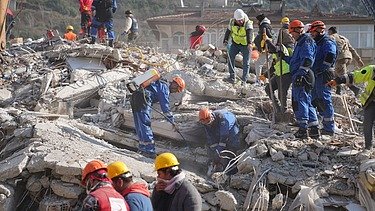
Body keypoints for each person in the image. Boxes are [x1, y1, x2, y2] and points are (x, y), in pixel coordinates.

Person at [130, 76, 186, 158]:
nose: (174, 92)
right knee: (145, 124)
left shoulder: (158, 83)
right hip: (143, 98)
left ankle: (142, 148)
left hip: (135, 97)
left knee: (139, 123)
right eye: (176, 89)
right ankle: (149, 151)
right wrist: (172, 121)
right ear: (175, 84)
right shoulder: (164, 87)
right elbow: (165, 107)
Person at [284, 20, 319, 139]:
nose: (291, 36)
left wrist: (301, 74)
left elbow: (308, 59)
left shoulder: (306, 41)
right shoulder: (300, 42)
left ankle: (303, 129)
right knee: (307, 101)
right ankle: (314, 128)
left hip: (303, 75)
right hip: (302, 74)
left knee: (301, 101)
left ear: (298, 30)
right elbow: (295, 61)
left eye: (292, 33)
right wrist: (282, 56)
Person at [327, 65, 375, 150]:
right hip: (371, 102)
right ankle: (368, 147)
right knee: (367, 124)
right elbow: (356, 75)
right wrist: (338, 80)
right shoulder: (372, 70)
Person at [309, 21, 337, 136]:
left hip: (324, 74)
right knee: (315, 99)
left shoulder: (327, 41)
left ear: (320, 31)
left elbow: (330, 56)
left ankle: (329, 128)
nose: (312, 34)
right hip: (316, 74)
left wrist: (322, 68)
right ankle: (319, 123)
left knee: (325, 99)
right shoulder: (317, 42)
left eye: (313, 32)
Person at [198, 108, 240, 175]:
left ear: (211, 117)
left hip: (230, 127)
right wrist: (214, 151)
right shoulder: (205, 122)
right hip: (218, 126)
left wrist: (218, 150)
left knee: (233, 144)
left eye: (208, 122)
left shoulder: (222, 118)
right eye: (206, 124)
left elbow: (224, 136)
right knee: (214, 143)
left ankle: (231, 169)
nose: (207, 124)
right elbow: (210, 137)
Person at [328, 26, 364, 95]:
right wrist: (358, 60)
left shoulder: (331, 37)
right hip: (348, 58)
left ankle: (354, 89)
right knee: (336, 74)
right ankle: (339, 90)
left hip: (340, 58)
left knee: (342, 76)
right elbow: (352, 49)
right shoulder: (344, 38)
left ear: (331, 31)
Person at [222, 9, 254, 85]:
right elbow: (228, 31)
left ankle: (244, 81)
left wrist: (249, 43)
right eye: (238, 20)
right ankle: (232, 77)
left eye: (241, 20)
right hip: (235, 43)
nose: (240, 22)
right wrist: (225, 40)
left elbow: (249, 32)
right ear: (235, 19)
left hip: (246, 45)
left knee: (246, 63)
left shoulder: (248, 23)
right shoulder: (232, 22)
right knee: (230, 58)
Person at [253, 13, 274, 84]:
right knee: (269, 65)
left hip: (267, 49)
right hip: (272, 48)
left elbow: (261, 38)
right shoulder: (269, 25)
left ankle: (258, 81)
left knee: (258, 64)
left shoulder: (263, 26)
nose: (256, 22)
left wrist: (259, 47)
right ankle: (268, 80)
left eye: (257, 21)